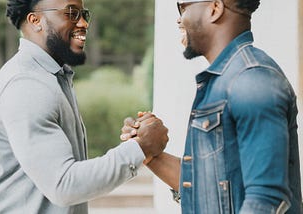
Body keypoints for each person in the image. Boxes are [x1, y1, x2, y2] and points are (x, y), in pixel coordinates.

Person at [0, 0, 168, 213]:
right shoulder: (26, 85)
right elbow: (64, 184)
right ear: (35, 20)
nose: (83, 23)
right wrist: (140, 148)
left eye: (83, 14)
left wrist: (137, 144)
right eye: (71, 13)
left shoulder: (51, 77)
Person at [121, 0, 303, 213]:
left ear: (214, 9)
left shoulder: (252, 80)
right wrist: (148, 152)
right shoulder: (222, 80)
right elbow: (204, 187)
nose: (179, 19)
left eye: (183, 7)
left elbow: (267, 199)